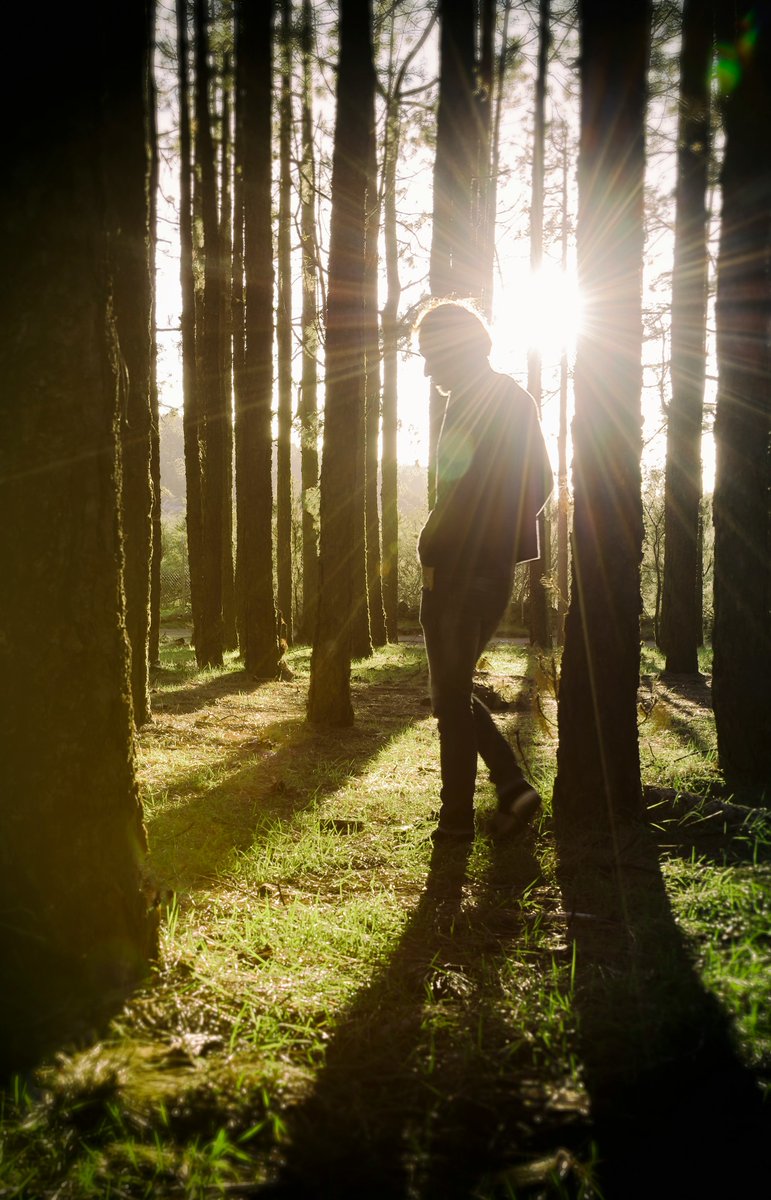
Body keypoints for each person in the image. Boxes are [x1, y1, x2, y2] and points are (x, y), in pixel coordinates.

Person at [416, 300, 553, 843]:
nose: (428, 368)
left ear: (456, 348)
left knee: (448, 697)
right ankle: (510, 788)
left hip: (454, 571)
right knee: (450, 690)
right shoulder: (516, 399)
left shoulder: (473, 402)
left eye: (431, 355)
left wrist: (441, 542)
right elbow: (542, 481)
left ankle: (458, 820)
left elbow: (460, 491)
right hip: (494, 572)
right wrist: (499, 536)